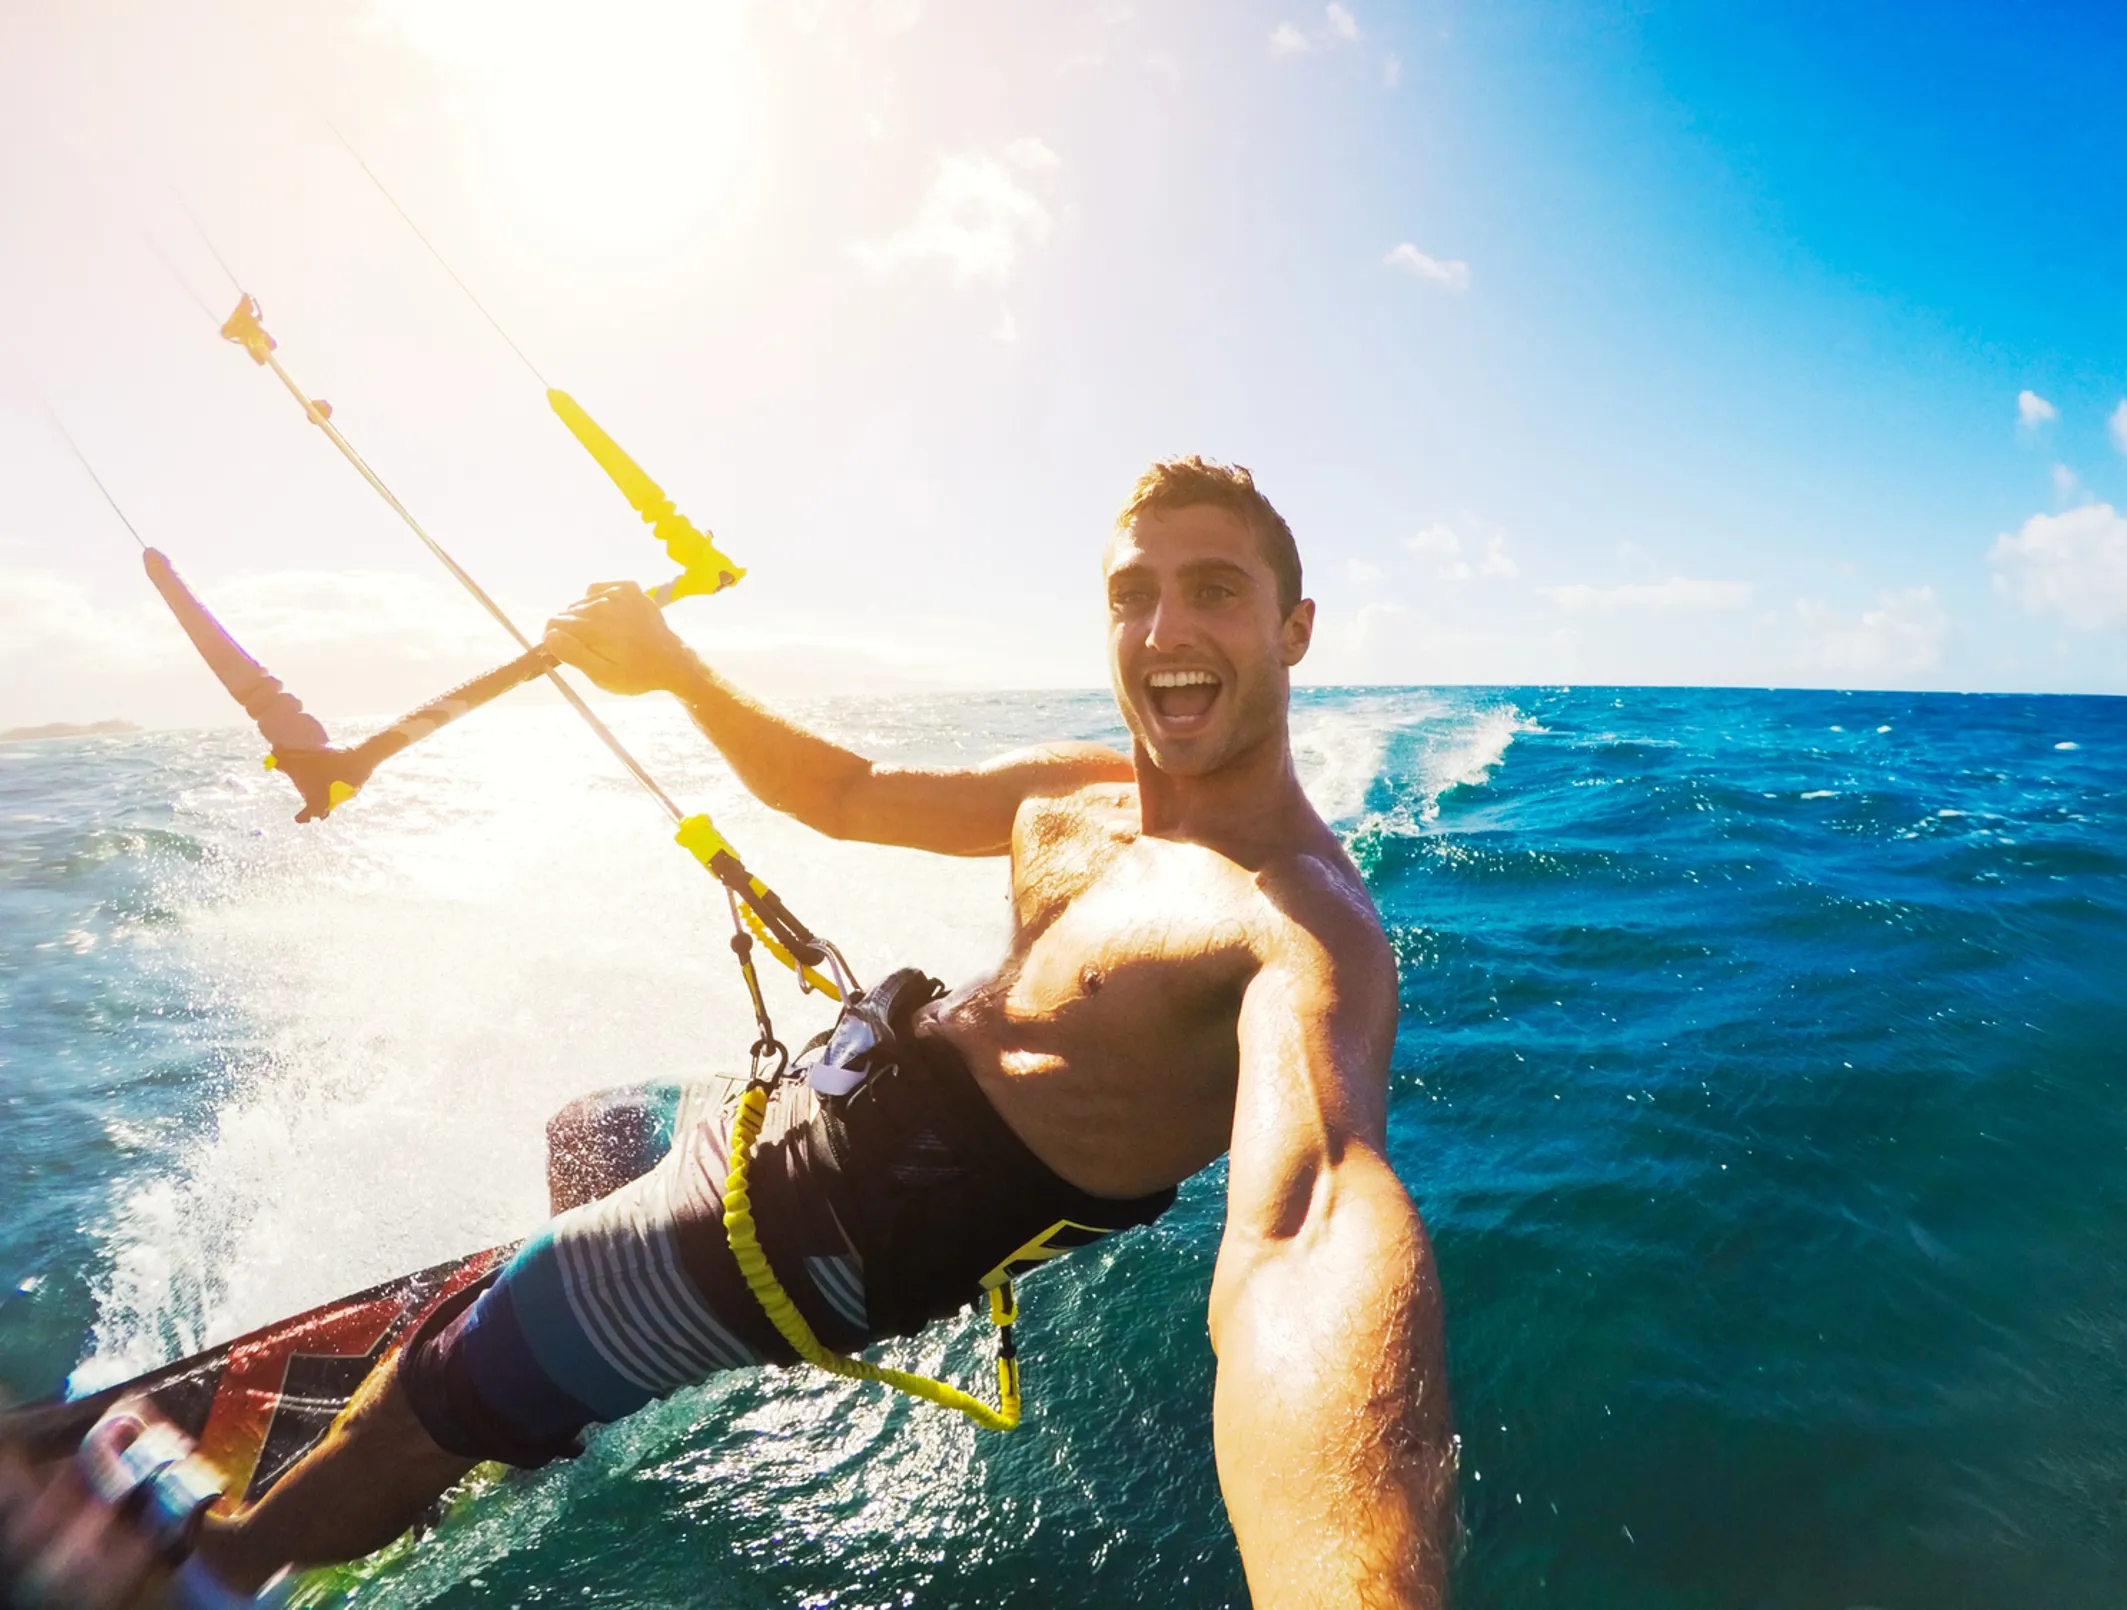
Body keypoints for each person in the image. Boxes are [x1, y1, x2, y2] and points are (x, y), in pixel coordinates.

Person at [5, 457, 1452, 1608]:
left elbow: (1309, 1237)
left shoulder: (1299, 931)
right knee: (585, 1130)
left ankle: (227, 1562)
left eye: (1214, 590)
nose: (1165, 630)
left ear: (1292, 629)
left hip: (817, 1233)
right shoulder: (1086, 791)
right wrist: (672, 664)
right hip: (812, 1115)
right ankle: (546, 1364)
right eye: (1135, 592)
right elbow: (853, 787)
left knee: (422, 1392)